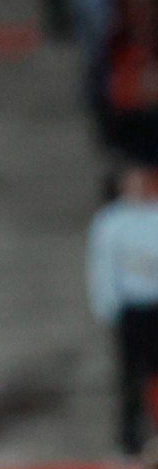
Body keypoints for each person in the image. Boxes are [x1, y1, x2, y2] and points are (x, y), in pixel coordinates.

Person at [91, 166, 158, 452]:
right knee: (130, 377)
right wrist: (107, 304)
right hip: (131, 309)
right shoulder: (111, 221)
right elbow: (101, 265)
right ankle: (129, 440)